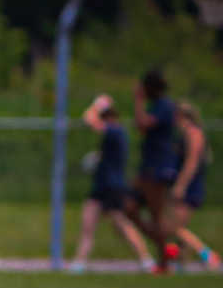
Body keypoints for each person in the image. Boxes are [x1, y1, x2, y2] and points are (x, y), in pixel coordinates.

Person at [69, 94, 156, 273]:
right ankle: (79, 263)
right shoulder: (114, 134)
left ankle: (147, 261)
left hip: (112, 186)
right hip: (100, 185)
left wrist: (99, 104)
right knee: (88, 223)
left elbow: (88, 119)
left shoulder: (115, 131)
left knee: (121, 225)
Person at [122, 68, 180, 273]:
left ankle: (165, 263)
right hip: (147, 168)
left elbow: (141, 124)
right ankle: (169, 247)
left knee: (157, 217)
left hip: (158, 169)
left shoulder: (164, 106)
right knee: (127, 207)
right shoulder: (157, 106)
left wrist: (138, 100)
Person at [168, 100, 219, 271]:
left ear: (180, 116)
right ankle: (181, 264)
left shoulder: (193, 133)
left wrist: (180, 185)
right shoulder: (183, 134)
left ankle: (207, 254)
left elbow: (192, 162)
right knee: (180, 228)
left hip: (190, 185)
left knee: (175, 228)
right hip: (186, 183)